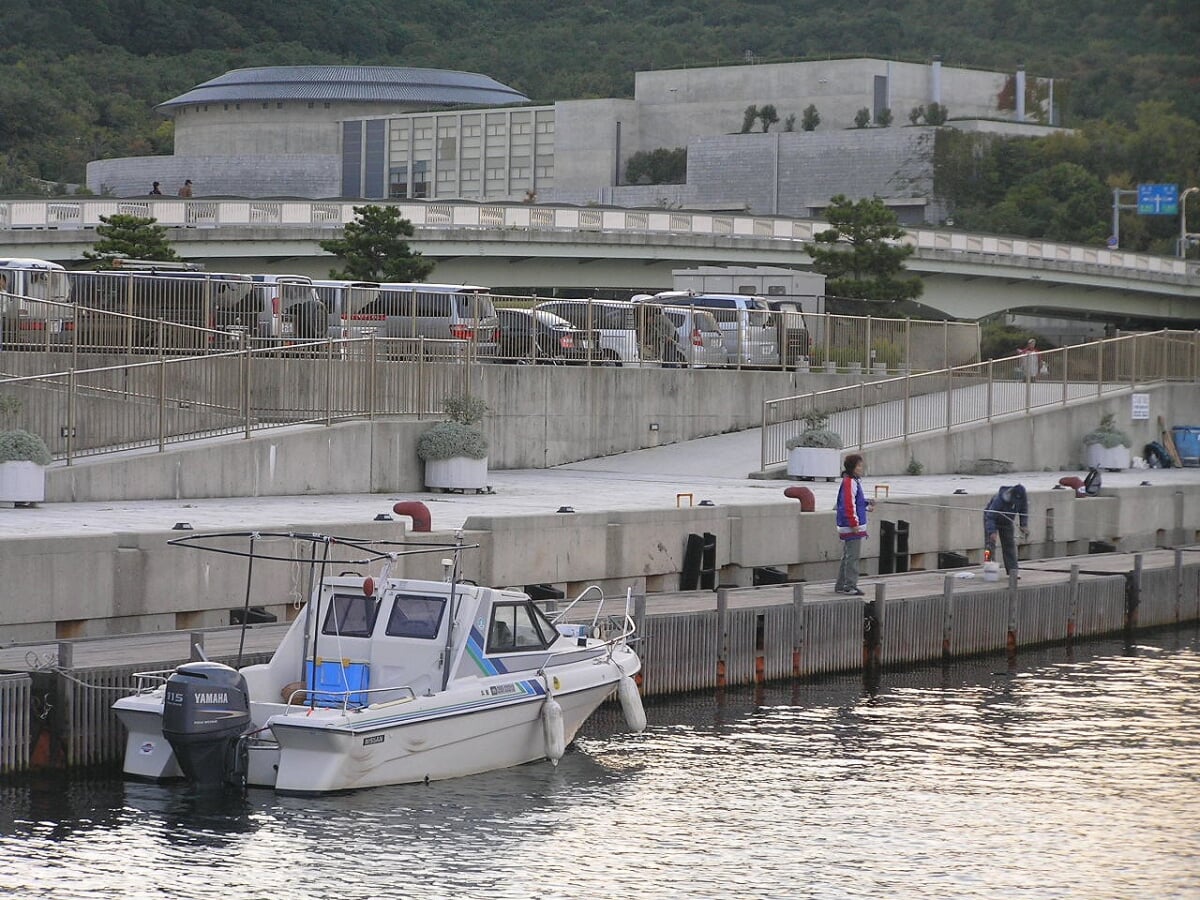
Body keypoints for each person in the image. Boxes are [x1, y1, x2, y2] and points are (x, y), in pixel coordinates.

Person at [835, 453, 874, 596]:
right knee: (852, 557)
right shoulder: (850, 482)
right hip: (851, 526)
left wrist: (867, 505)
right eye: (858, 466)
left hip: (850, 525)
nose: (861, 468)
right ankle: (849, 585)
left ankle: (841, 585)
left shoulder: (852, 481)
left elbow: (856, 502)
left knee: (847, 556)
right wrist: (854, 524)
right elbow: (848, 505)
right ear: (852, 467)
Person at [983, 484, 1029, 575]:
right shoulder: (999, 500)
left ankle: (1012, 571)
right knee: (989, 546)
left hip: (1007, 522)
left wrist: (1023, 525)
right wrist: (992, 531)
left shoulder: (1022, 499)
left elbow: (1023, 511)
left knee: (1009, 546)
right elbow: (990, 516)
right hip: (992, 520)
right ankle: (989, 568)